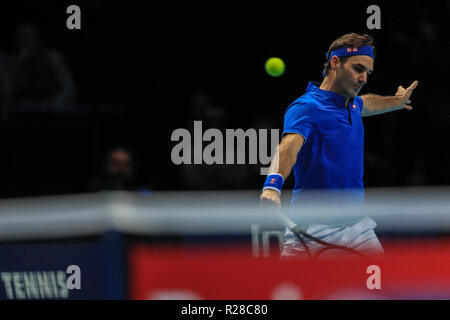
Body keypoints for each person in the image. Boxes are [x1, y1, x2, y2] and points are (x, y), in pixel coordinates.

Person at [259, 33, 419, 258]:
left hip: (357, 228)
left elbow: (369, 103)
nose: (364, 78)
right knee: (290, 291)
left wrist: (397, 101)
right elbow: (288, 147)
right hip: (310, 229)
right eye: (358, 69)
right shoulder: (306, 108)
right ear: (335, 63)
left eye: (367, 72)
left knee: (385, 288)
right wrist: (272, 185)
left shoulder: (351, 104)